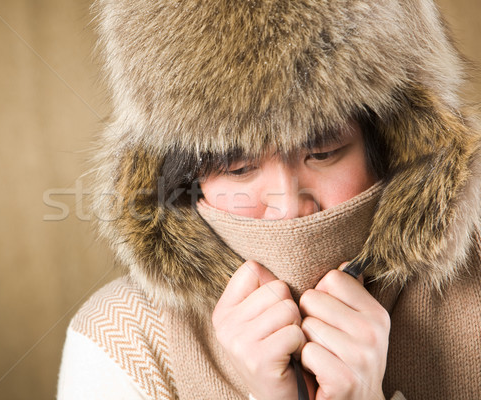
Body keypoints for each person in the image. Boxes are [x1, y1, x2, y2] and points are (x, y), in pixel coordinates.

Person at [57, 1, 481, 399]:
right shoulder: (121, 340)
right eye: (238, 168)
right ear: (184, 177)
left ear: (391, 143)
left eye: (324, 152)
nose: (288, 208)